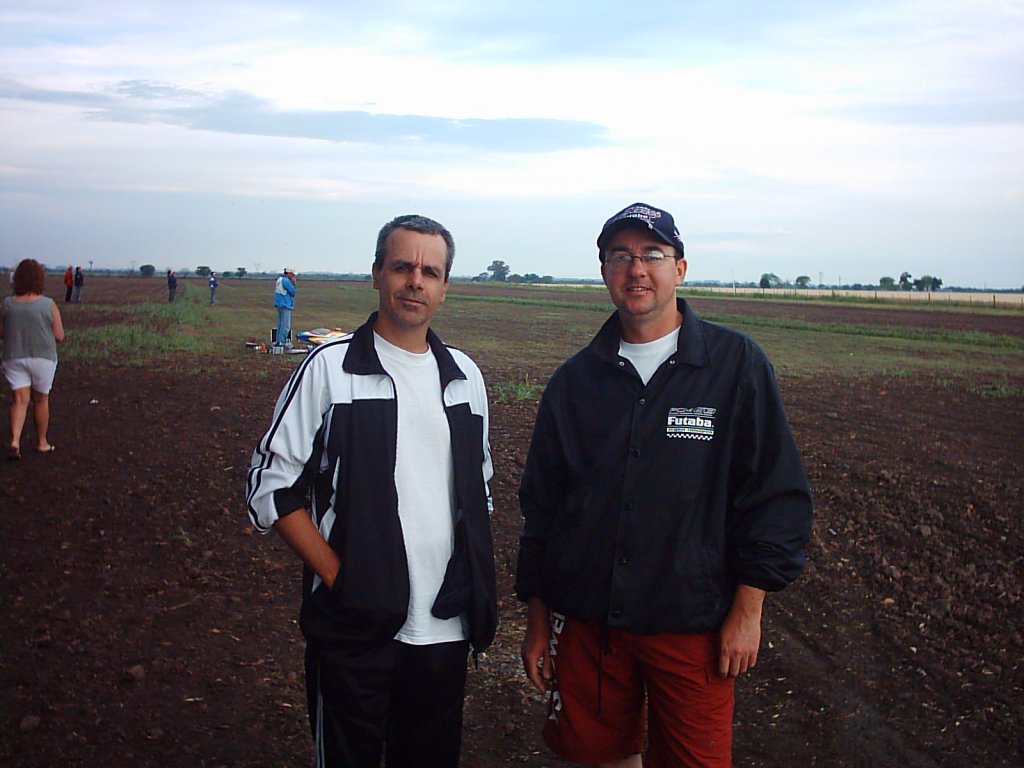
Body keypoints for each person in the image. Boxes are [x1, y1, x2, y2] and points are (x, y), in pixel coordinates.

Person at [516, 202, 814, 768]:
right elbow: (543, 511)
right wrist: (538, 623)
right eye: (620, 256)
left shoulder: (735, 366)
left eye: (652, 254)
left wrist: (748, 610)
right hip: (587, 625)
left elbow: (775, 497)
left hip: (691, 626)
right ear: (604, 271)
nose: (636, 269)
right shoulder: (574, 383)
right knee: (596, 759)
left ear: (679, 269)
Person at [246, 214, 497, 768]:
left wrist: (471, 584)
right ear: (377, 273)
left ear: (445, 287)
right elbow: (271, 486)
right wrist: (342, 579)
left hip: (444, 629)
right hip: (354, 629)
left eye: (431, 272)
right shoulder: (330, 370)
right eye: (402, 266)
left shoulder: (465, 378)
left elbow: (479, 492)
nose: (415, 281)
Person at [1, 258, 65, 460]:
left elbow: (1, 332)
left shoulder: (7, 304)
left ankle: (15, 441)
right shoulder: (48, 304)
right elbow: (59, 335)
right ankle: (42, 442)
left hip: (13, 356)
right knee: (41, 399)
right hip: (43, 358)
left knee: (20, 400)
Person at [273, 267, 297, 347]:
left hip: (279, 303)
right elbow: (293, 292)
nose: (293, 276)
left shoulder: (279, 279)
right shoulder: (286, 281)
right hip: (285, 304)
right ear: (289, 273)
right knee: (286, 325)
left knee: (280, 324)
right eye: (292, 274)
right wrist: (294, 283)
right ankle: (282, 342)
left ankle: (278, 341)